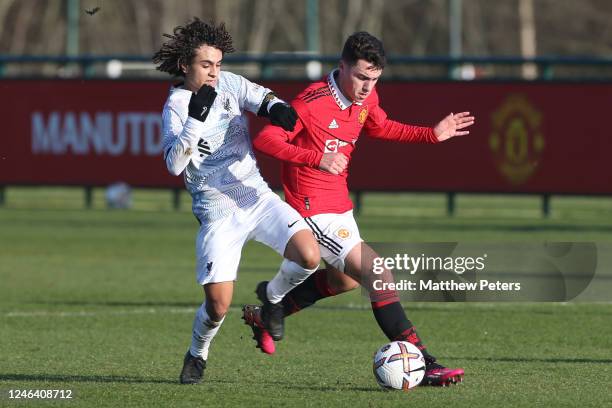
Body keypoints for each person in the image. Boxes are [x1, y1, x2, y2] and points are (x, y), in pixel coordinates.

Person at [242, 31, 474, 387]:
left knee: (345, 280)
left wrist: (432, 133)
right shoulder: (310, 102)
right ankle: (425, 364)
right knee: (378, 274)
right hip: (311, 208)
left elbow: (380, 125)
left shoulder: (366, 98)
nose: (367, 87)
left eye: (374, 79)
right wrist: (317, 158)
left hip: (339, 206)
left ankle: (269, 312)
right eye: (362, 77)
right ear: (342, 66)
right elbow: (266, 139)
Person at [153, 18, 321, 384]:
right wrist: (196, 118)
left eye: (217, 64)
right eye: (205, 65)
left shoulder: (228, 82)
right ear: (185, 65)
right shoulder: (177, 107)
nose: (214, 73)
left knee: (309, 255)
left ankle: (271, 301)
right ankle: (198, 353)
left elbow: (262, 97)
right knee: (218, 307)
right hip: (217, 214)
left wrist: (277, 108)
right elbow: (173, 164)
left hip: (256, 197)